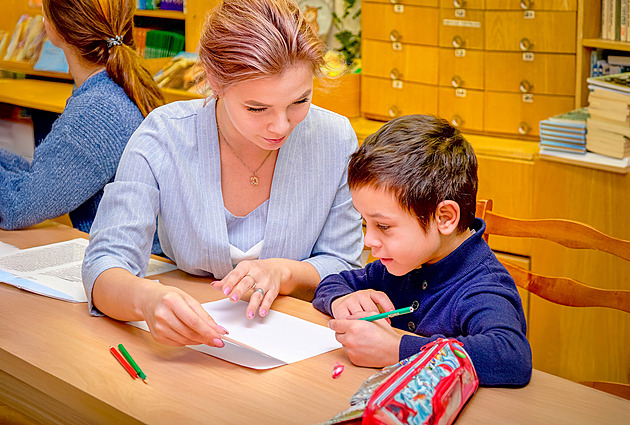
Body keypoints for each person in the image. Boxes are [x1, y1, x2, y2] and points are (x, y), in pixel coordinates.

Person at [82, 0, 363, 348]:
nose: (280, 126)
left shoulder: (334, 138)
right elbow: (104, 263)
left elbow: (343, 264)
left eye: (299, 101)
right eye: (256, 108)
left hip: (296, 344)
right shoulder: (164, 135)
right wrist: (147, 299)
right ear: (214, 81)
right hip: (188, 347)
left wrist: (284, 272)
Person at [312, 115, 532, 386]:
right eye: (364, 223)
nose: (369, 240)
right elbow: (335, 282)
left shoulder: (481, 287)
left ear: (445, 218)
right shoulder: (401, 264)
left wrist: (398, 350)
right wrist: (341, 300)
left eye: (383, 225)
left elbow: (510, 357)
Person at [0, 0, 164, 255]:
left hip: (132, 265)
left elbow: (17, 207)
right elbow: (47, 176)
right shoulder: (111, 87)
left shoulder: (98, 109)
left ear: (55, 26)